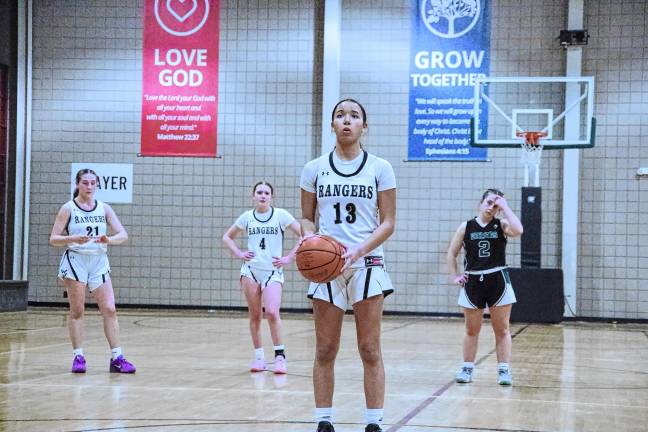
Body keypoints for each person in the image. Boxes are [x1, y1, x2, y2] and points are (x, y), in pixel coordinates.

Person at [300, 99, 396, 432]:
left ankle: (374, 422)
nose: (347, 121)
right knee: (325, 347)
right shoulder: (314, 168)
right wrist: (308, 240)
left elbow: (388, 222)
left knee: (369, 348)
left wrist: (357, 250)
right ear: (332, 125)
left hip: (366, 264)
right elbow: (306, 218)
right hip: (328, 270)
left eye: (354, 116)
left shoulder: (380, 168)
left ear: (363, 127)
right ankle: (323, 420)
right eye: (340, 115)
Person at [49, 168, 136, 374]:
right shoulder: (68, 208)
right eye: (85, 183)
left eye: (93, 183)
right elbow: (53, 238)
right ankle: (78, 356)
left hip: (98, 261)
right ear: (77, 184)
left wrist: (109, 240)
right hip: (76, 261)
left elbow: (123, 234)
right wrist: (72, 238)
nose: (89, 186)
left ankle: (117, 357)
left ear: (97, 185)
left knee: (110, 309)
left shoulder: (104, 208)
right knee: (77, 311)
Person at [222, 181, 301, 374]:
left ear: (272, 197)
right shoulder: (247, 217)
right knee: (255, 315)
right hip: (250, 271)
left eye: (266, 193)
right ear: (253, 195)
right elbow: (227, 237)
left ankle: (280, 356)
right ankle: (259, 358)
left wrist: (289, 257)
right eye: (259, 192)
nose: (263, 195)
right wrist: (239, 254)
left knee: (272, 312)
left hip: (273, 271)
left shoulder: (281, 215)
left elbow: (304, 235)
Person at [446, 188, 523, 386]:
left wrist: (505, 207)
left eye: (496, 204)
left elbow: (519, 230)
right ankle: (467, 368)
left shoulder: (502, 224)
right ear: (480, 203)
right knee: (472, 329)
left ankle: (504, 370)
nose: (492, 206)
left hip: (498, 279)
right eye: (489, 202)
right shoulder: (466, 227)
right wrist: (454, 275)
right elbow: (451, 254)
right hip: (473, 281)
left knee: (502, 329)